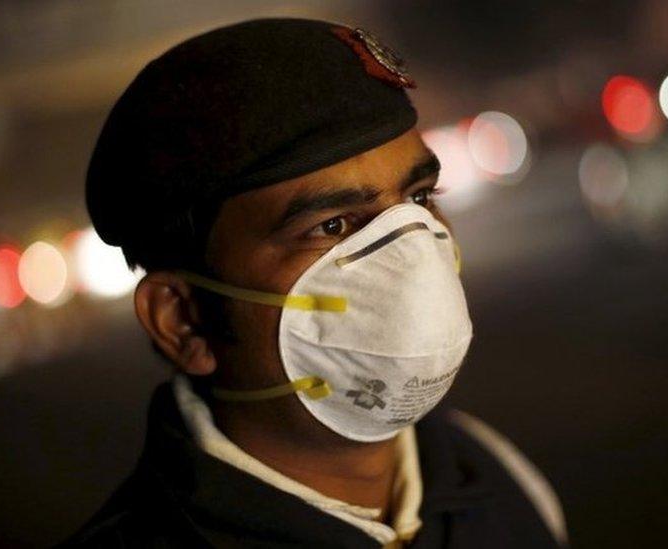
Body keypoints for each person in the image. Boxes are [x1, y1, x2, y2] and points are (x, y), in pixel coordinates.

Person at [63, 17, 567, 548]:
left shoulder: (499, 478)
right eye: (332, 226)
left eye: (419, 199)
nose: (412, 253)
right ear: (183, 319)